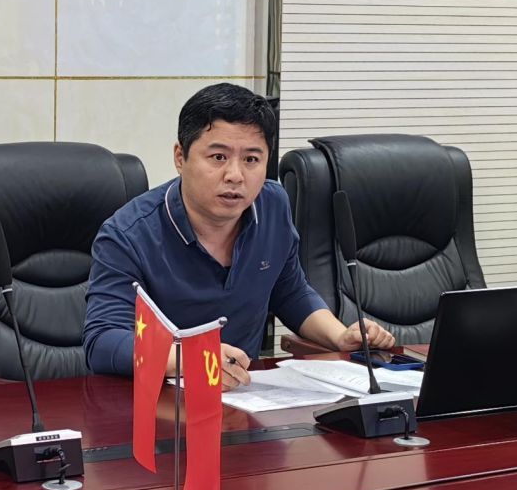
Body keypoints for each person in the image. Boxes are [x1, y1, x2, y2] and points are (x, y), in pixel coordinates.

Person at [83, 83, 394, 390]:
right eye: (218, 157)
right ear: (180, 157)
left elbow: (290, 291)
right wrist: (193, 358)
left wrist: (340, 336)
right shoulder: (127, 234)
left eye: (251, 160)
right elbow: (103, 341)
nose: (235, 175)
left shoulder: (272, 205)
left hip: (244, 396)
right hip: (160, 404)